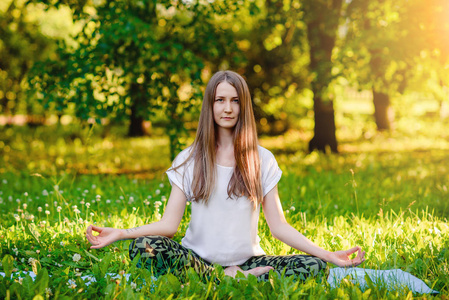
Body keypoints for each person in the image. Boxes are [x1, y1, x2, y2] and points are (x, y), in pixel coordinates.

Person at [85, 70, 365, 281]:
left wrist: (327, 255)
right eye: (220, 100)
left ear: (243, 106)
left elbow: (279, 226)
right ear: (210, 104)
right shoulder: (188, 159)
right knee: (145, 247)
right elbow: (169, 225)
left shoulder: (262, 159)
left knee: (313, 267)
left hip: (248, 261)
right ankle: (222, 278)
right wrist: (122, 233)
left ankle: (235, 276)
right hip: (195, 260)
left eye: (234, 101)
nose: (228, 108)